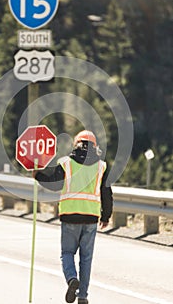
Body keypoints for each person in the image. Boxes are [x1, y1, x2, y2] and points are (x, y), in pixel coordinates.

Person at [33, 130, 113, 304]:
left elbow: (54, 184)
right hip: (91, 217)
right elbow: (106, 193)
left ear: (76, 144)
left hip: (69, 216)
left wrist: (38, 175)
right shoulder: (101, 166)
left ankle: (71, 279)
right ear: (95, 146)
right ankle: (83, 296)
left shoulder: (66, 163)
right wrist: (106, 216)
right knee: (86, 258)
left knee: (67, 253)